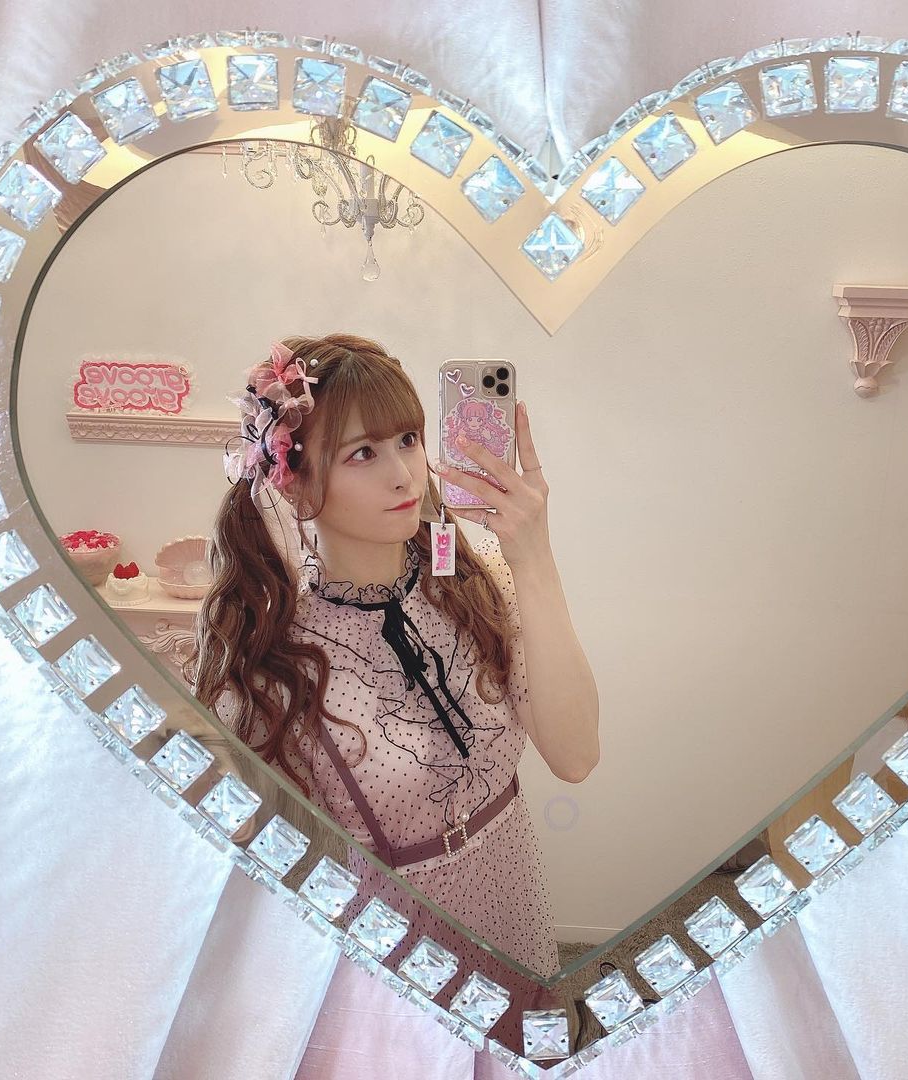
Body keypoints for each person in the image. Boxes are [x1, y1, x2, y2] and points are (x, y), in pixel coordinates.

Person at [185, 332, 599, 1056]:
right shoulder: (273, 656)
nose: (404, 473)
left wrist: (532, 554)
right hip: (397, 948)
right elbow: (259, 883)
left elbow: (575, 756)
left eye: (408, 439)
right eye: (362, 453)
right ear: (294, 479)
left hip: (516, 901)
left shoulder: (474, 582)